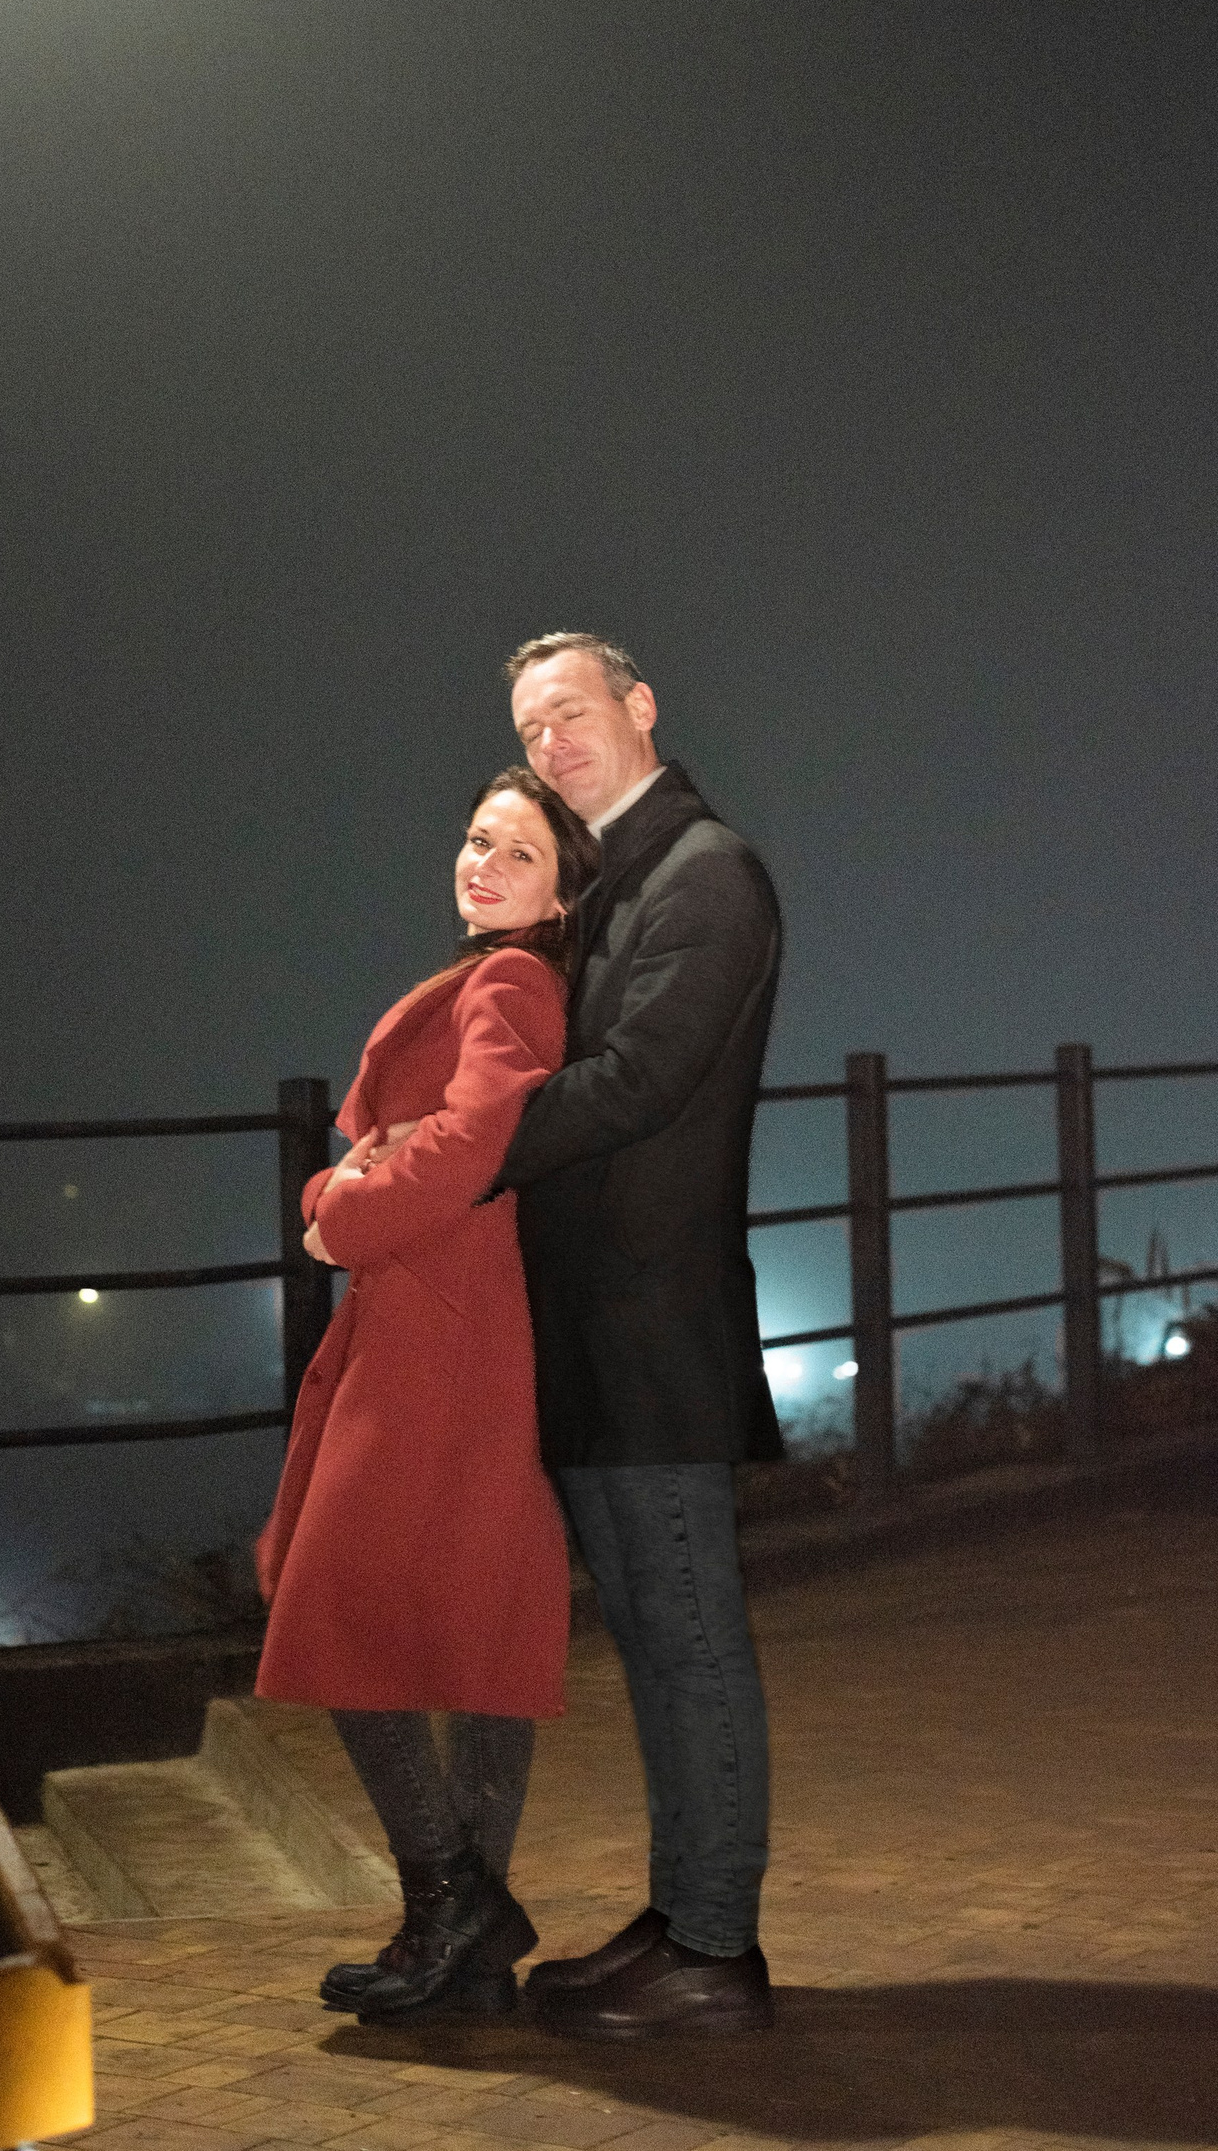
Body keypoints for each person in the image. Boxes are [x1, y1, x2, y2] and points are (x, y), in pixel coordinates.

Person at [254, 768, 592, 2021]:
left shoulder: (512, 982)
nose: (482, 865)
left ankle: (449, 1897)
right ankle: (464, 1948)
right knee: (473, 1618)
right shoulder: (503, 978)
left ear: (564, 895)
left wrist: (342, 1214)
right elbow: (399, 1150)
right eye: (475, 840)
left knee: (338, 1600)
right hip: (451, 1319)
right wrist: (344, 1190)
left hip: (442, 1329)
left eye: (518, 853)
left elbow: (469, 1142)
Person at [497, 631, 784, 2039]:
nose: (552, 744)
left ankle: (716, 1950)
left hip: (655, 1324)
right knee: (658, 1646)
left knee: (692, 1640)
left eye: (572, 712)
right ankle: (682, 1921)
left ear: (642, 707)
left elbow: (637, 1080)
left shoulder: (706, 873)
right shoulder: (616, 881)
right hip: (601, 1329)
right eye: (530, 730)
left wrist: (450, 1142)